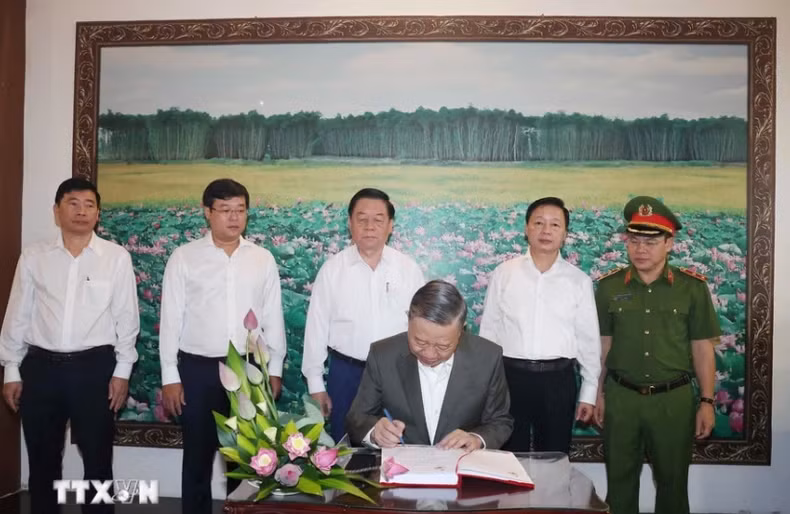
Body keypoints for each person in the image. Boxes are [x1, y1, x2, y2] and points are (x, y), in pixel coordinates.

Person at [0, 178, 139, 514]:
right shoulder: (34, 257)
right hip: (41, 370)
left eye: (89, 204)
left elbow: (126, 318)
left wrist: (122, 372)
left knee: (98, 462)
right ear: (56, 211)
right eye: (72, 203)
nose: (81, 211)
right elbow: (18, 314)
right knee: (43, 462)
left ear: (98, 213)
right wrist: (11, 369)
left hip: (95, 370)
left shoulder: (115, 258)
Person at [158, 178, 286, 514]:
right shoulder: (184, 257)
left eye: (240, 210)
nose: (233, 217)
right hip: (198, 370)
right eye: (225, 210)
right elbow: (171, 320)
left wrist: (273, 369)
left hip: (248, 370)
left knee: (248, 461)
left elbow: (273, 318)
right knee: (198, 459)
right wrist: (170, 376)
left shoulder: (262, 258)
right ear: (207, 212)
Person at [594, 196, 720, 514]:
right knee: (619, 488)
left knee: (673, 486)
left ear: (669, 243)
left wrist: (706, 402)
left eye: (650, 241)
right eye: (634, 240)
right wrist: (597, 394)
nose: (641, 249)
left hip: (673, 401)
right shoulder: (609, 288)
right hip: (622, 399)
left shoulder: (692, 288)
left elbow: (703, 349)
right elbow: (602, 346)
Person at [301, 188, 425, 443]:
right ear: (350, 223)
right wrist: (316, 385)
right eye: (362, 219)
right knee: (346, 449)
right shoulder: (333, 270)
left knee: (397, 447)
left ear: (390, 226)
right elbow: (316, 328)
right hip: (347, 373)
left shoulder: (408, 269)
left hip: (398, 373)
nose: (370, 226)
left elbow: (421, 325)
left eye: (378, 220)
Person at [479, 196, 600, 454]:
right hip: (510, 378)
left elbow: (589, 341)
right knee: (509, 460)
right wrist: (486, 388)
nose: (546, 231)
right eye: (539, 223)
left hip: (558, 380)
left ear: (565, 234)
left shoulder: (578, 281)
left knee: (555, 459)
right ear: (526, 228)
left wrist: (589, 392)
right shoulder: (504, 273)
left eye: (555, 225)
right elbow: (489, 332)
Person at [345, 280, 513, 450]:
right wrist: (375, 432)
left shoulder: (487, 357)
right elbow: (358, 418)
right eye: (420, 342)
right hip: (402, 467)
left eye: (443, 346)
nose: (429, 354)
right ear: (409, 321)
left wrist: (476, 439)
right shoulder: (383, 355)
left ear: (461, 330)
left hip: (461, 466)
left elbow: (500, 421)